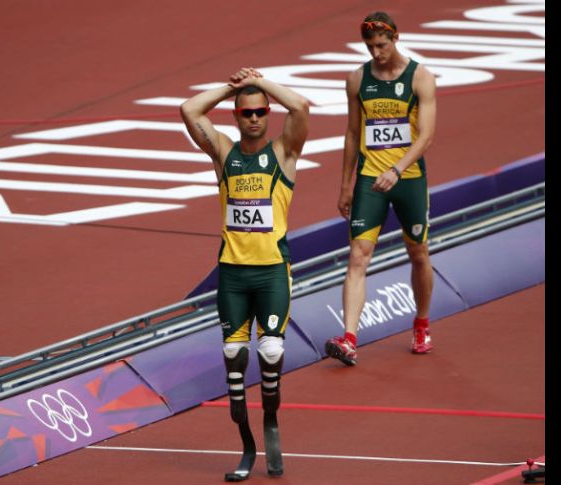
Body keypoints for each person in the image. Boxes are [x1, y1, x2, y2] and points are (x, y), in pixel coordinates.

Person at [180, 67, 309, 480]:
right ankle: (247, 446)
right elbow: (189, 109)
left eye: (260, 112)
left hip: (271, 273)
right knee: (234, 361)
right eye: (246, 112)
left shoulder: (284, 152)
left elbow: (300, 107)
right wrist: (230, 89)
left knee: (270, 352)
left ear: (268, 114)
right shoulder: (223, 152)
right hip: (233, 275)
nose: (254, 118)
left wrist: (261, 82)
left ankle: (271, 416)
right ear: (236, 116)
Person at [325, 12, 437, 366]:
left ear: (395, 38)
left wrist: (397, 169)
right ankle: (349, 339)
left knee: (418, 252)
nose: (377, 52)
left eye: (382, 45)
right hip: (370, 180)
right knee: (358, 256)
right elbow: (352, 133)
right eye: (371, 46)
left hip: (409, 180)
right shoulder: (357, 79)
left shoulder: (420, 77)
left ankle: (421, 323)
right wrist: (345, 186)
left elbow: (426, 136)